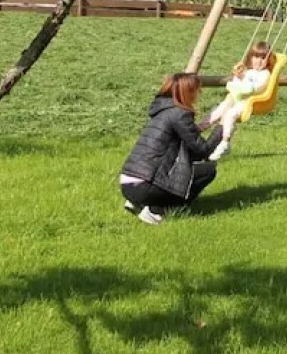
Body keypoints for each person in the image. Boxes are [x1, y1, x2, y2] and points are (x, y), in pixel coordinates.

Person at [118, 72, 224, 224]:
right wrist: (223, 128)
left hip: (128, 183)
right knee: (208, 171)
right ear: (186, 92)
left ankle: (139, 203)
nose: (198, 94)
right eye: (196, 90)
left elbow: (188, 147)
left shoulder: (163, 111)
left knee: (187, 169)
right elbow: (202, 150)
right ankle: (157, 210)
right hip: (144, 186)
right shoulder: (179, 114)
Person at [203, 41, 277, 159]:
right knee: (218, 111)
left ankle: (225, 142)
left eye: (263, 58)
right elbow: (237, 84)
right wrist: (238, 77)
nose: (259, 61)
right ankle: (200, 128)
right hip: (236, 98)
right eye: (256, 57)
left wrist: (243, 87)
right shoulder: (248, 72)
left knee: (230, 115)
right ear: (251, 57)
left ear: (268, 60)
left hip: (249, 102)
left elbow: (258, 88)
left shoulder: (265, 74)